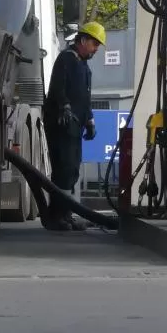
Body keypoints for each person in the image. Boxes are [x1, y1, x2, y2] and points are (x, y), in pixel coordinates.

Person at [42, 21, 106, 231]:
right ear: (83, 40)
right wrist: (65, 107)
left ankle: (65, 214)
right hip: (62, 124)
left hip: (76, 125)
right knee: (63, 169)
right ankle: (56, 216)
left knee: (72, 171)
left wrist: (90, 121)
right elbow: (57, 88)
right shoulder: (66, 59)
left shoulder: (83, 65)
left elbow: (85, 97)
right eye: (94, 44)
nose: (96, 49)